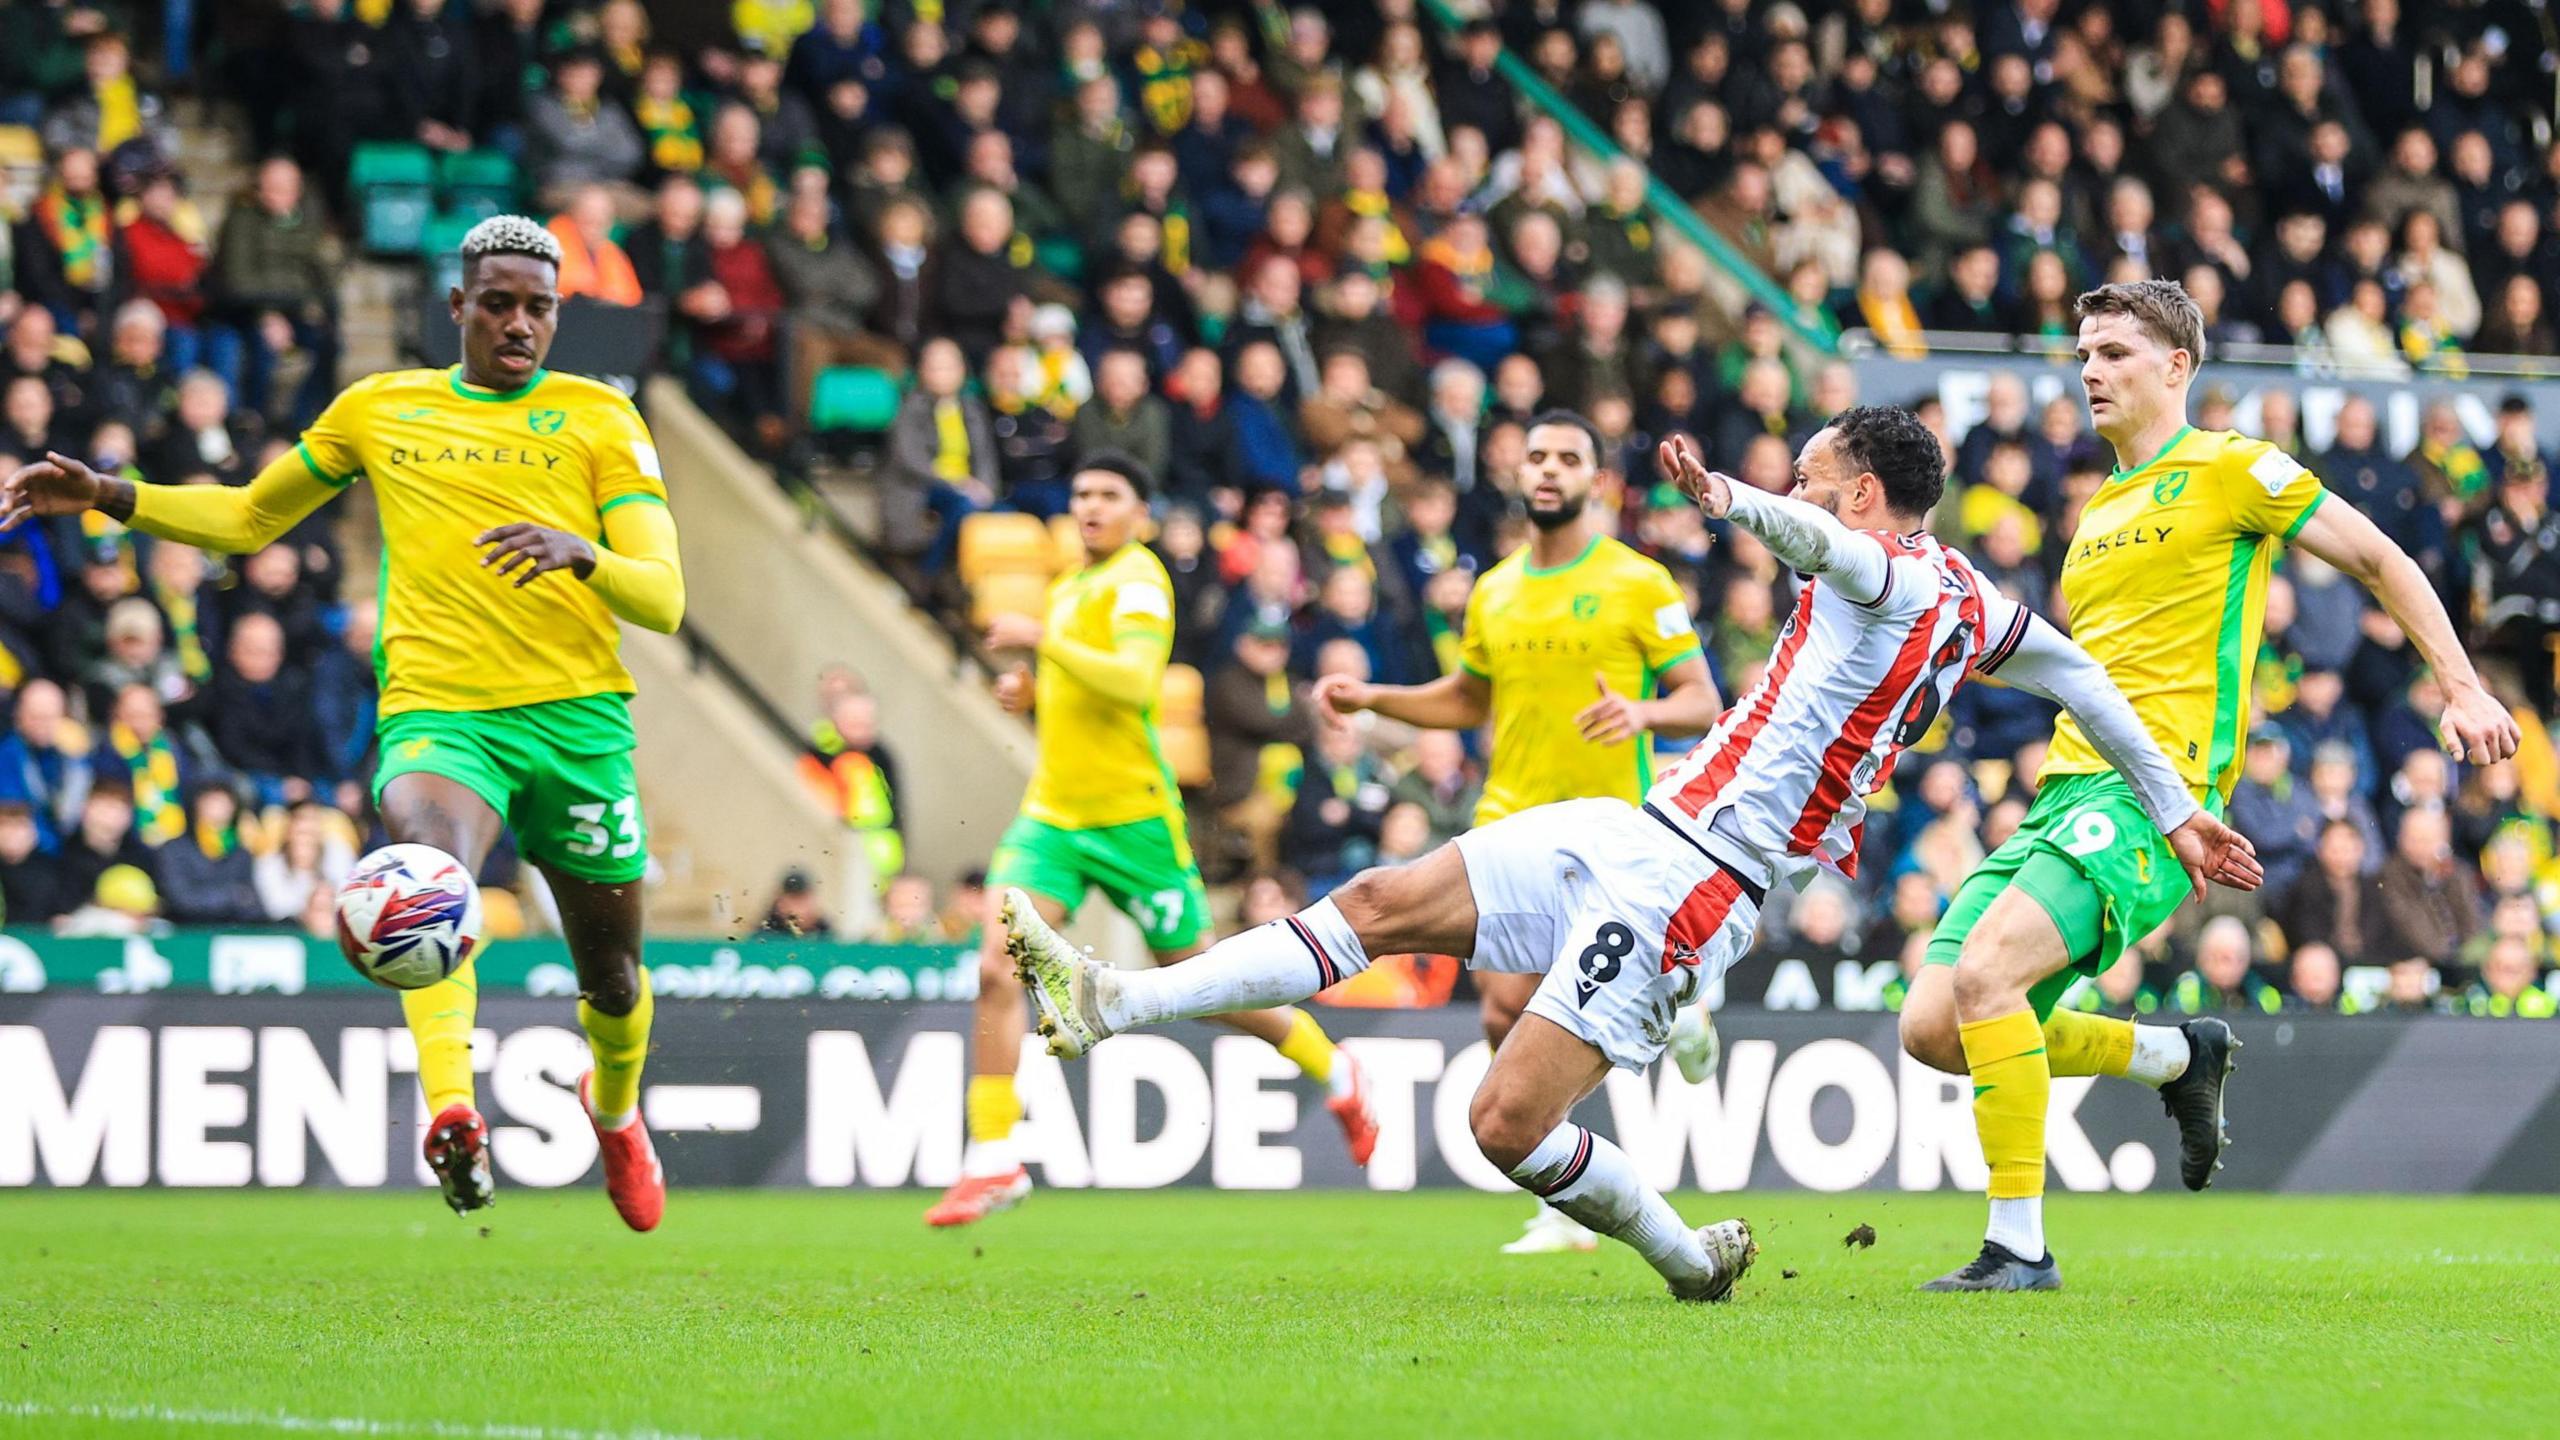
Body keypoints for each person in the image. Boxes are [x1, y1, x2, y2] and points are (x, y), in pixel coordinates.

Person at [1007, 413, 2252, 1303]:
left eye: (1814, 479)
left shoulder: (1877, 570)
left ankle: (1682, 1255)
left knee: (1501, 1123)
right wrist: (2179, 807)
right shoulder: (1980, 602)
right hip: (1641, 822)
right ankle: (1112, 1003)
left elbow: (1833, 554)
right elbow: (2086, 680)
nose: (1803, 495)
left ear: (1862, 494)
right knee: (1380, 898)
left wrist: (1734, 502)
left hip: (1704, 882)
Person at [1, 216, 688, 1233]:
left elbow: (665, 598)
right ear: (456, 307)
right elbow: (247, 518)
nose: (517, 323)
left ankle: (616, 1111)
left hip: (579, 725)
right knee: (426, 867)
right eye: (496, 302)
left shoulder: (597, 418)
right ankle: (453, 1109)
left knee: (616, 978)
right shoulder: (381, 408)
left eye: (537, 307)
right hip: (442, 713)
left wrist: (580, 553)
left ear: (557, 317)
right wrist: (109, 493)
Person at [1898, 279, 2519, 1292]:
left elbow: (2377, 554)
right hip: (2060, 790)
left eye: (2113, 353)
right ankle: (2175, 1060)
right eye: (2084, 354)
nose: (2090, 371)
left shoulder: (2234, 467)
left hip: (2152, 794)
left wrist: (2456, 684)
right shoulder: (2096, 510)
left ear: (2176, 367)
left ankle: (2016, 1248)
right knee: (1932, 1027)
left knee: (1984, 981)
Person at [1308, 409, 1724, 1257]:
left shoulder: (1638, 581)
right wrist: (1376, 698)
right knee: (1503, 1002)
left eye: (1568, 457)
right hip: (1511, 820)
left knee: (1551, 1002)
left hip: (1612, 834)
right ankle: (1556, 1184)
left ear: (1595, 481)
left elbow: (1702, 701)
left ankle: (1676, 1008)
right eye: (1536, 455)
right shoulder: (1493, 587)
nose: (1548, 469)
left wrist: (1641, 710)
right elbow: (1468, 700)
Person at [925, 453, 1376, 1228]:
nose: (1091, 506)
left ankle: (1334, 1068)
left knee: (1200, 981)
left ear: (1139, 512)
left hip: (1135, 819)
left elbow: (1134, 682)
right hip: (1055, 817)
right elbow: (1076, 678)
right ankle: (992, 1158)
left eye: (1109, 495)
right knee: (999, 967)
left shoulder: (1137, 580)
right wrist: (1028, 686)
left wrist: (1042, 641)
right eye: (1081, 494)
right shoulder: (1070, 584)